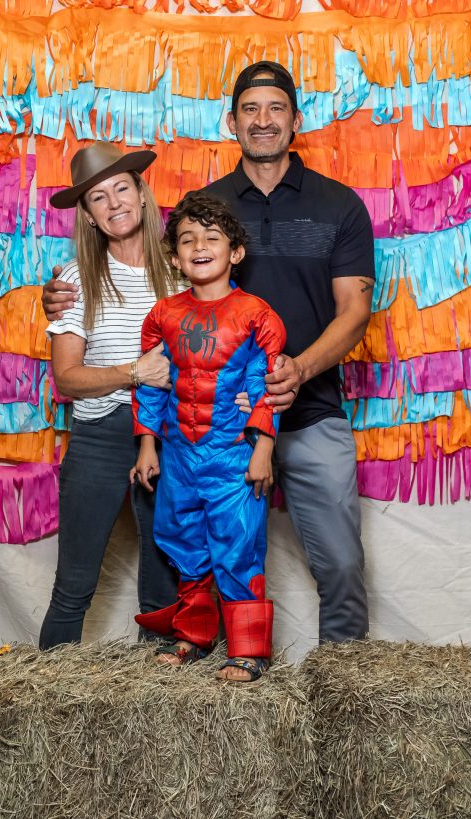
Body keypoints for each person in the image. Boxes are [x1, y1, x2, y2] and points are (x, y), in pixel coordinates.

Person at [43, 61, 375, 646]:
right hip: (178, 431)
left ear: (296, 120)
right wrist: (59, 298)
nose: (263, 120)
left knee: (317, 563)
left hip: (285, 412)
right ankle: (192, 666)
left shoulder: (331, 208)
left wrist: (293, 373)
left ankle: (332, 682)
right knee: (166, 562)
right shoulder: (194, 216)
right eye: (250, 109)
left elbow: (352, 311)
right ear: (231, 122)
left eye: (276, 108)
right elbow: (94, 344)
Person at [131, 191, 286, 682]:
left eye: (212, 237)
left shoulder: (258, 314)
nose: (199, 246)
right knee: (183, 543)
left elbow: (266, 385)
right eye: (187, 239)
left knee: (238, 546)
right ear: (175, 257)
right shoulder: (162, 315)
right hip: (178, 456)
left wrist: (263, 449)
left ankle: (248, 652)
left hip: (233, 455)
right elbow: (152, 386)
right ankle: (193, 637)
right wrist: (147, 444)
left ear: (235, 252)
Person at [38, 141, 180, 650]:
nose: (114, 202)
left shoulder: (182, 272)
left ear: (142, 194)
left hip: (168, 436)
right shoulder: (77, 279)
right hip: (100, 435)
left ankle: (159, 691)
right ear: (88, 215)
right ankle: (47, 691)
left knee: (165, 583)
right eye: (99, 197)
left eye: (122, 188)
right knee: (74, 584)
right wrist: (134, 372)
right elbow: (67, 379)